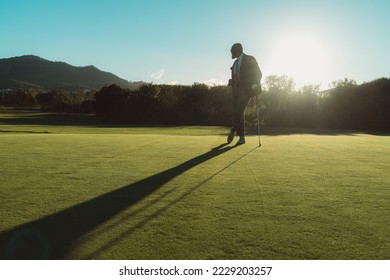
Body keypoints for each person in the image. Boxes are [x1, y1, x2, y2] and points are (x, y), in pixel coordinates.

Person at [227, 43, 262, 145]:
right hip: (235, 90)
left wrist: (255, 84)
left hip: (245, 91)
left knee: (238, 112)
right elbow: (237, 76)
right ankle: (233, 129)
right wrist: (232, 81)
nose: (230, 52)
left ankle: (241, 137)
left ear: (237, 50)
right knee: (236, 113)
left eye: (231, 50)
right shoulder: (235, 63)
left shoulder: (249, 59)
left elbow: (258, 74)